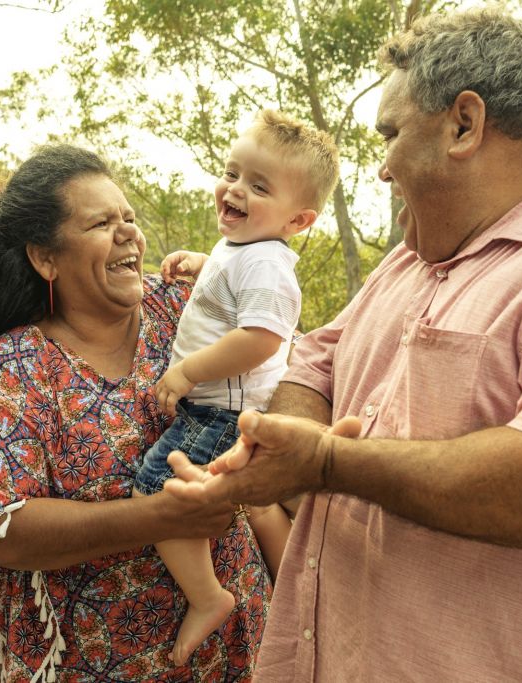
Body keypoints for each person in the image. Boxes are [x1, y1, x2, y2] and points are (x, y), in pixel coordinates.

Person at [165, 7, 522, 681]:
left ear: (464, 124)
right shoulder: (406, 260)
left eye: (392, 134)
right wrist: (275, 448)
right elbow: (314, 361)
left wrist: (329, 465)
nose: (381, 169)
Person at [0, 144, 272, 683]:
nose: (128, 234)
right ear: (44, 257)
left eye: (130, 218)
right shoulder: (21, 366)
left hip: (242, 648)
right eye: (100, 222)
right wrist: (159, 517)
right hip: (101, 664)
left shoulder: (187, 309)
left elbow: (286, 356)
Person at [132, 109, 339, 666]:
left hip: (221, 409)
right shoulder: (245, 248)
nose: (236, 189)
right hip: (226, 407)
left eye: (259, 186)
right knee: (257, 500)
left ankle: (208, 597)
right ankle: (286, 588)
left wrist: (188, 370)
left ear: (298, 221)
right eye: (232, 173)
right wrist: (205, 266)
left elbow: (262, 337)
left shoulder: (270, 262)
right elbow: (233, 290)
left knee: (158, 490)